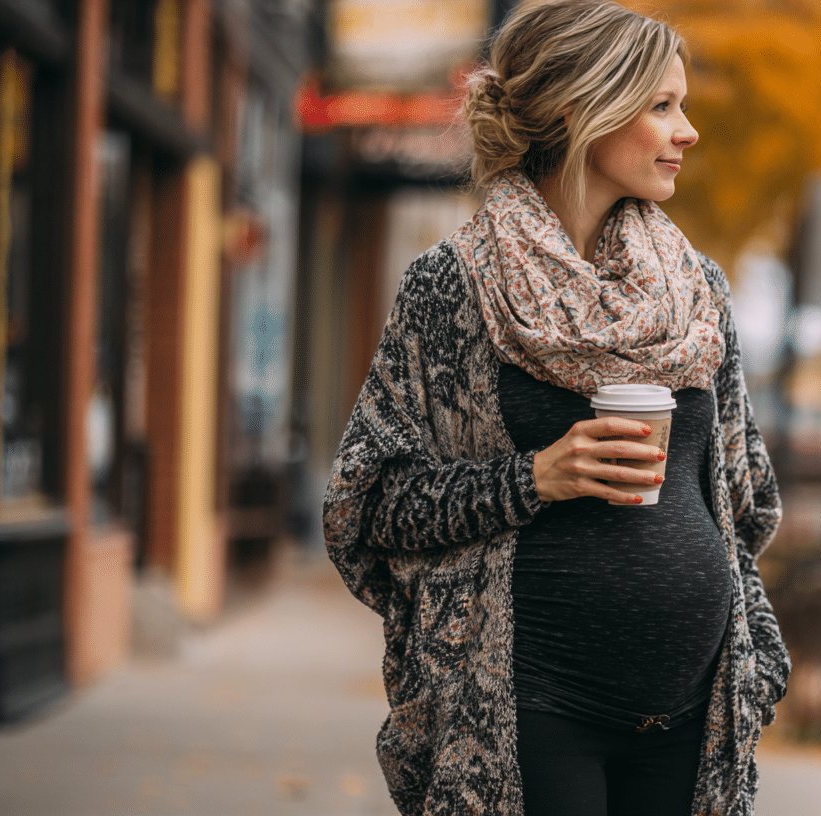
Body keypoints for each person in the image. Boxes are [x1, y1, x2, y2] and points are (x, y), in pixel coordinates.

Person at [321, 2, 790, 815]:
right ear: (582, 109)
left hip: (694, 714)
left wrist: (759, 650)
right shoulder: (456, 287)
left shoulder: (696, 289)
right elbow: (372, 506)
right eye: (662, 106)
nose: (690, 132)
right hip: (530, 712)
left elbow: (739, 504)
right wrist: (534, 476)